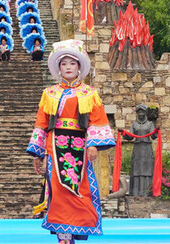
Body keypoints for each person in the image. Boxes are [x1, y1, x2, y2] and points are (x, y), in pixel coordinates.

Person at [27, 40, 115, 244]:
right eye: (64, 64)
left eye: (72, 63)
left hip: (80, 148)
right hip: (54, 146)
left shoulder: (89, 93)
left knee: (80, 190)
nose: (68, 67)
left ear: (79, 68)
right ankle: (63, 235)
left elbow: (97, 120)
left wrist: (93, 143)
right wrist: (38, 152)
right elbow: (41, 123)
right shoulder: (49, 93)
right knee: (57, 192)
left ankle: (77, 227)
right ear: (58, 68)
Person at [124, 104, 157, 196]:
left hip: (147, 148)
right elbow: (130, 136)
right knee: (137, 169)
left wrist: (156, 132)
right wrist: (124, 134)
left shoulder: (150, 124)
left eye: (142, 111)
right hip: (137, 149)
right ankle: (136, 192)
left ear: (145, 113)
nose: (141, 113)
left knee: (147, 169)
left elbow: (153, 136)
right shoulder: (134, 124)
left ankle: (147, 192)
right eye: (139, 112)